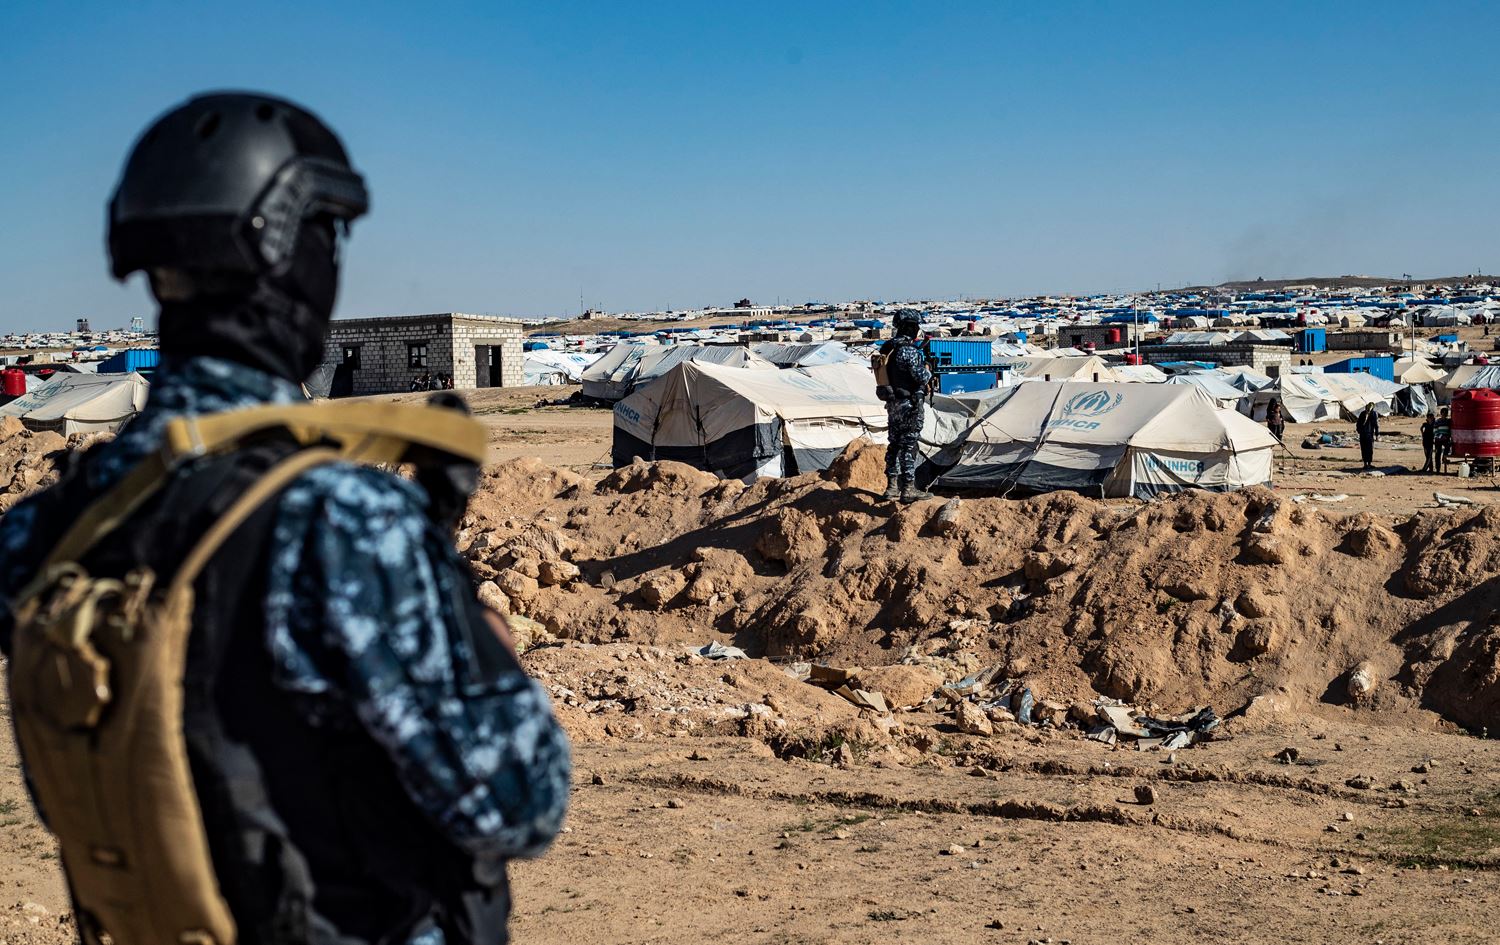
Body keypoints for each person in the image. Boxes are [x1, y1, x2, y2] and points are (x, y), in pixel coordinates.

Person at [0, 93, 569, 944]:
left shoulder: (46, 529)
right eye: (325, 236)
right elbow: (520, 802)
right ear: (286, 247)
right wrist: (488, 645)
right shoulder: (341, 518)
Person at [873, 309, 933, 502]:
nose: (917, 329)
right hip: (909, 405)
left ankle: (891, 487)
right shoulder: (907, 350)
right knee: (909, 445)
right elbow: (920, 377)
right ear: (909, 327)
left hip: (893, 404)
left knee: (894, 445)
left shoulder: (888, 347)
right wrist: (928, 369)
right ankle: (908, 488)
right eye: (915, 326)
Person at [1356, 403, 1380, 470]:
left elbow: (1358, 424)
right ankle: (1367, 464)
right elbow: (1376, 425)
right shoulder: (1373, 414)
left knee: (1365, 449)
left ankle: (1366, 464)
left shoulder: (1364, 413)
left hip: (1364, 434)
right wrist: (1377, 434)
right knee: (1368, 449)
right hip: (1368, 434)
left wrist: (1359, 431)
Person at [1435, 406, 1453, 473]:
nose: (1445, 415)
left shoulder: (1448, 421)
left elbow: (1450, 431)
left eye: (1446, 413)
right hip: (1438, 439)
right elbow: (1435, 431)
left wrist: (1447, 436)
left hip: (1446, 439)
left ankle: (1444, 458)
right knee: (1437, 454)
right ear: (1441, 413)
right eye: (1443, 413)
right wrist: (1441, 436)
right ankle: (1437, 469)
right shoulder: (1438, 421)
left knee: (1448, 447)